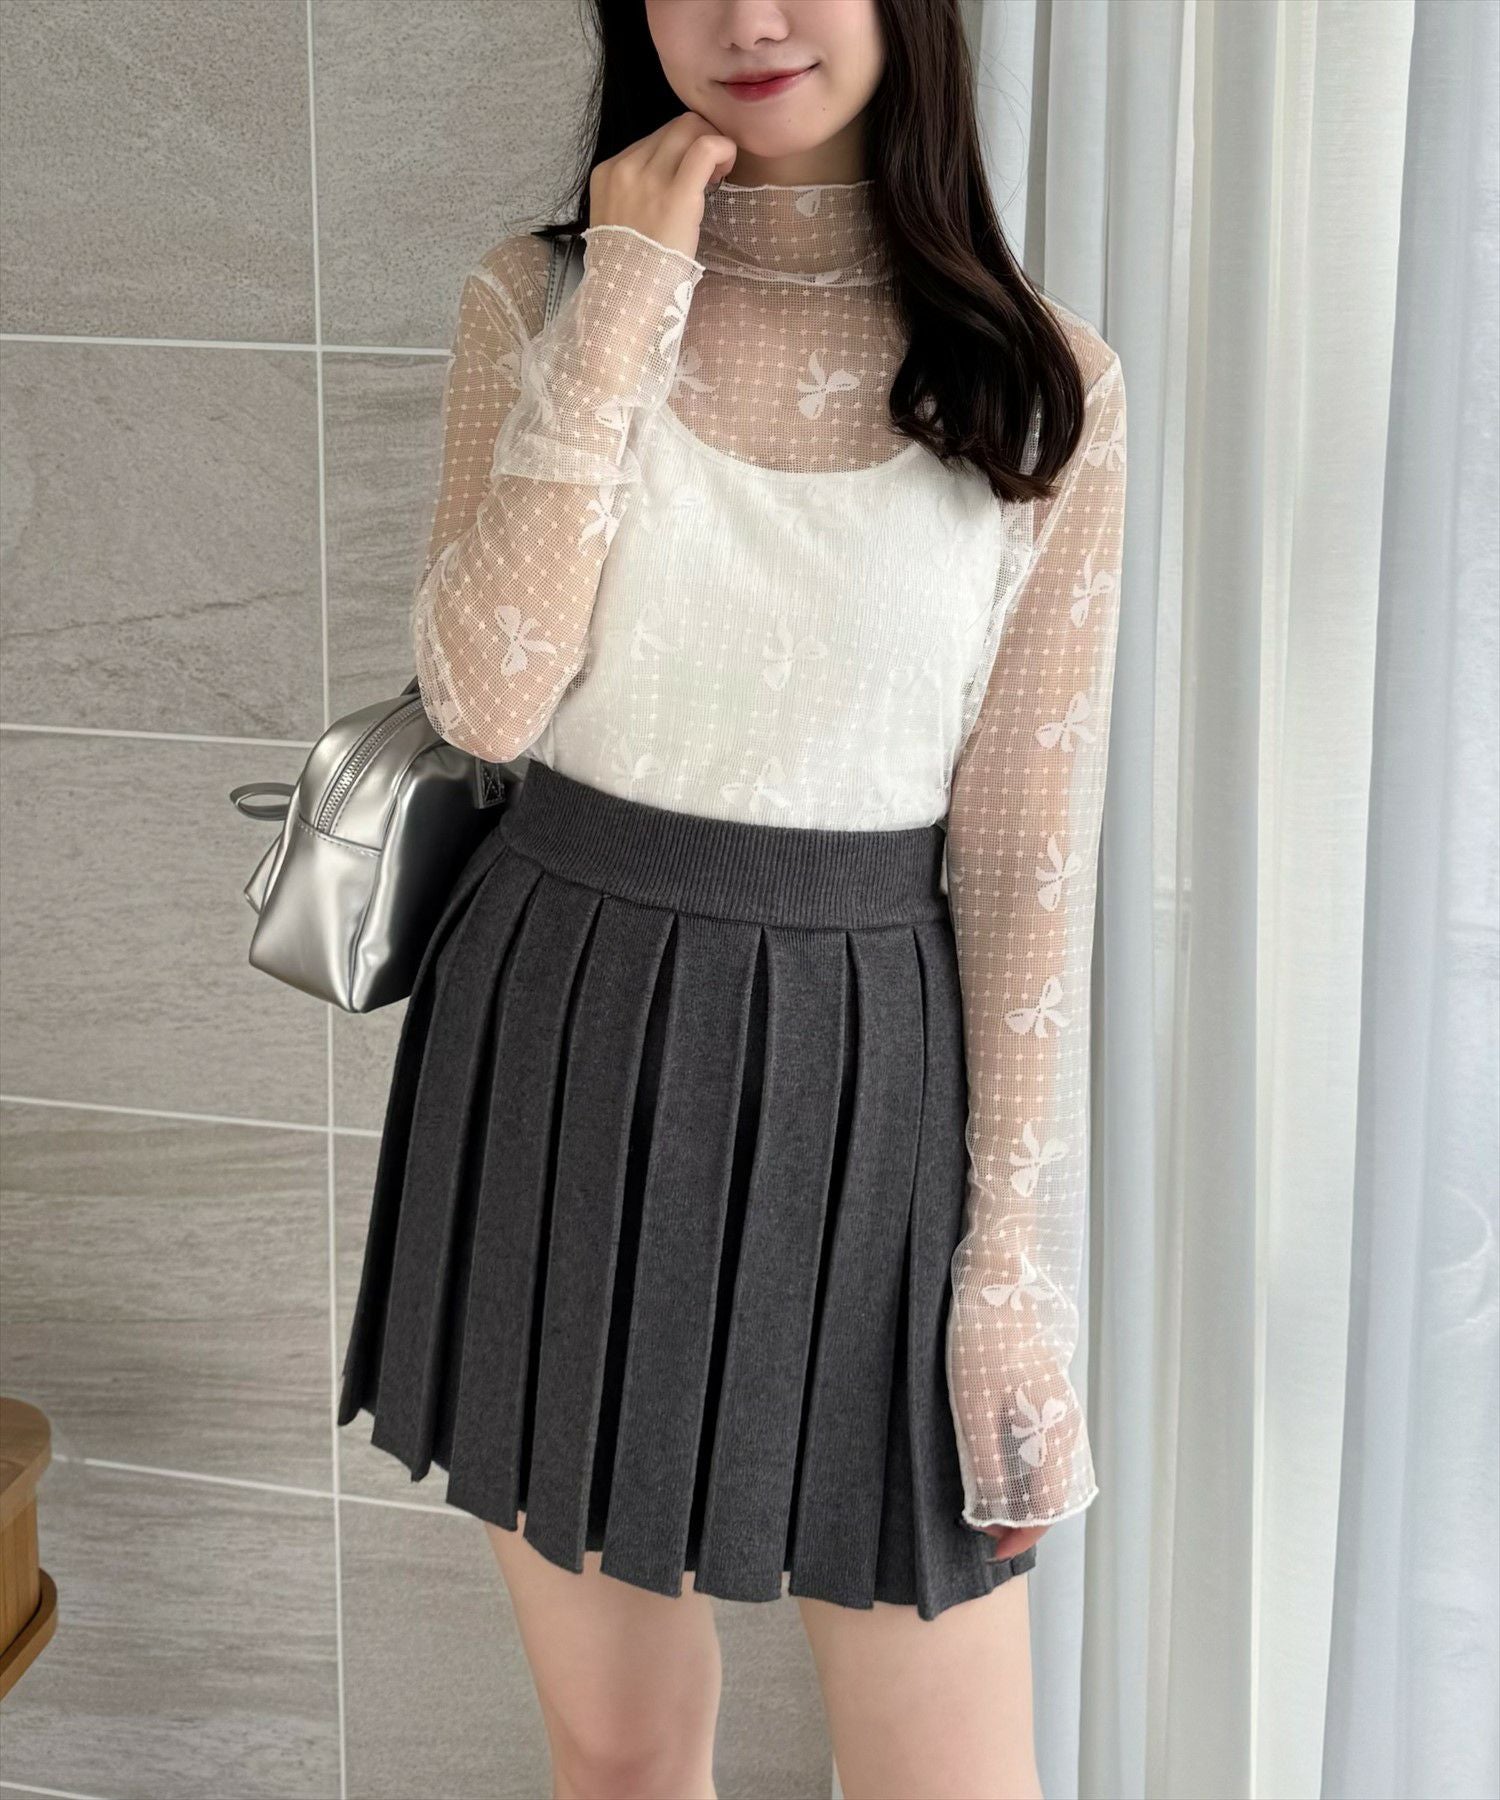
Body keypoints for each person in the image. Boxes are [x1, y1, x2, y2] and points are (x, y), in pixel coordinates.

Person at [336, 1, 1126, 1794]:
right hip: (561, 1042)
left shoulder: (1043, 380)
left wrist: (1009, 1271)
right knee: (621, 1756)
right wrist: (626, 292)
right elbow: (485, 700)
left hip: (874, 1090)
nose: (748, 17)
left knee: (951, 1778)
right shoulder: (540, 296)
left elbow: (1023, 854)